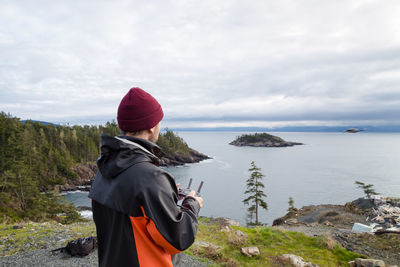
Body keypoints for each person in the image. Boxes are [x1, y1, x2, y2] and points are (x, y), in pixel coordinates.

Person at [89, 87, 203, 267]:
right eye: (159, 122)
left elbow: (127, 220)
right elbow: (177, 239)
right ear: (151, 126)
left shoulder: (104, 167)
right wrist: (191, 204)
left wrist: (166, 195)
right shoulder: (150, 177)